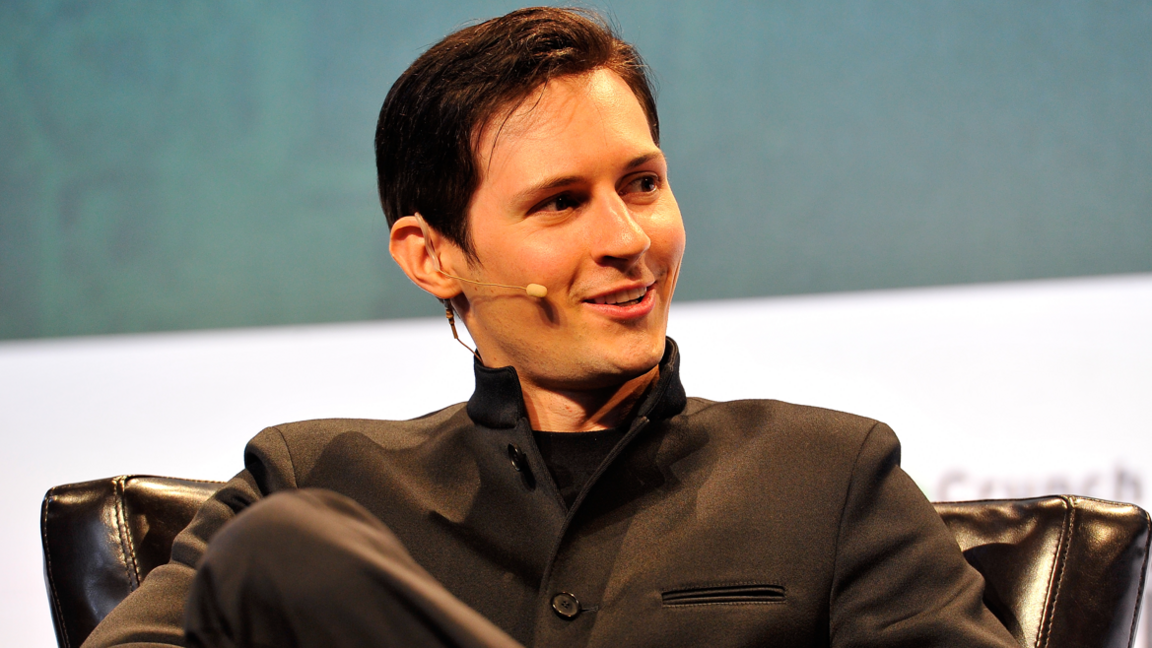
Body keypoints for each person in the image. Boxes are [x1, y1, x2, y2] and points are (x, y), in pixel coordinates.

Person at [82, 7, 1018, 648]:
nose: (627, 239)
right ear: (431, 255)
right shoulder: (317, 480)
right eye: (561, 203)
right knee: (278, 554)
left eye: (642, 184)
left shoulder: (827, 477)